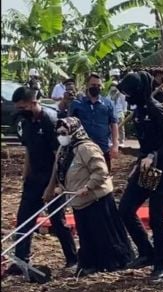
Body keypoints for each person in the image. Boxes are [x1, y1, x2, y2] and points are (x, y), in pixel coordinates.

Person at [117, 71, 163, 282]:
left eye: (129, 92)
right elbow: (147, 144)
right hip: (148, 168)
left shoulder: (156, 110)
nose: (127, 97)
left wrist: (154, 155)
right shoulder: (139, 111)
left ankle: (161, 265)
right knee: (126, 209)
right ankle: (146, 252)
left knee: (157, 217)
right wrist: (138, 162)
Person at [45, 117, 133, 276]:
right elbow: (64, 172)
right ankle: (91, 263)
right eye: (59, 133)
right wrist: (60, 188)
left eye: (64, 133)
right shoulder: (64, 150)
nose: (61, 136)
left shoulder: (87, 148)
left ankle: (115, 262)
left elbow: (101, 171)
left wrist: (88, 186)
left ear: (73, 131)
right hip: (78, 200)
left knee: (102, 233)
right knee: (86, 235)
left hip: (96, 199)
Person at [8, 87, 77, 274]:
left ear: (33, 103)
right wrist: (25, 174)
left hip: (51, 178)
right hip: (34, 178)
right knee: (24, 219)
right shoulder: (26, 121)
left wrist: (52, 185)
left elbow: (58, 156)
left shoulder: (50, 120)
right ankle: (21, 260)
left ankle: (72, 259)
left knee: (57, 220)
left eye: (23, 106)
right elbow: (29, 150)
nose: (20, 110)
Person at [69, 73, 119, 170]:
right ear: (87, 85)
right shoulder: (76, 104)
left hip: (102, 148)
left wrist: (115, 144)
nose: (96, 87)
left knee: (104, 179)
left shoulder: (108, 104)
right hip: (82, 149)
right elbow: (70, 124)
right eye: (93, 85)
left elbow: (114, 123)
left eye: (98, 85)